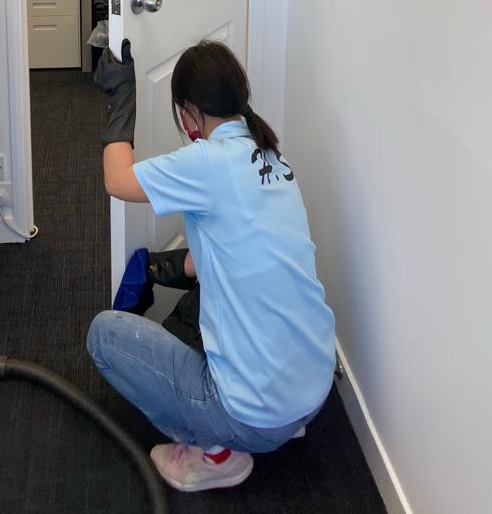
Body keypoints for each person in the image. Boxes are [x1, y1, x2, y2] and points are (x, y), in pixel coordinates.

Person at [89, 38, 336, 493]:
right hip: (314, 389)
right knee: (211, 304)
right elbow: (236, 254)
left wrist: (121, 96)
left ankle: (217, 453)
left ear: (189, 113)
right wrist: (162, 268)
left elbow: (117, 180)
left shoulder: (207, 161)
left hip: (254, 417)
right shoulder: (272, 159)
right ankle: (279, 419)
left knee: (103, 336)